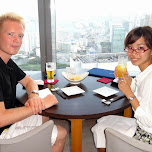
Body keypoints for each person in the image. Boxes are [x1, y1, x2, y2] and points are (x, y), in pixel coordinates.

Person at [0, 12, 67, 152]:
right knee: (61, 132)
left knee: (43, 116)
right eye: (10, 34)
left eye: (20, 36)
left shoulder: (7, 62)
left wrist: (34, 97)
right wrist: (40, 104)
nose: (17, 40)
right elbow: (1, 118)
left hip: (9, 122)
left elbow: (29, 82)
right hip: (2, 135)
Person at [91, 26, 152, 152]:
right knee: (103, 121)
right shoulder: (146, 71)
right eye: (130, 47)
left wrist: (129, 94)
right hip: (143, 127)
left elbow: (148, 121)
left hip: (147, 137)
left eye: (140, 48)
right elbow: (141, 91)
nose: (133, 53)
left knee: (100, 128)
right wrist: (128, 80)